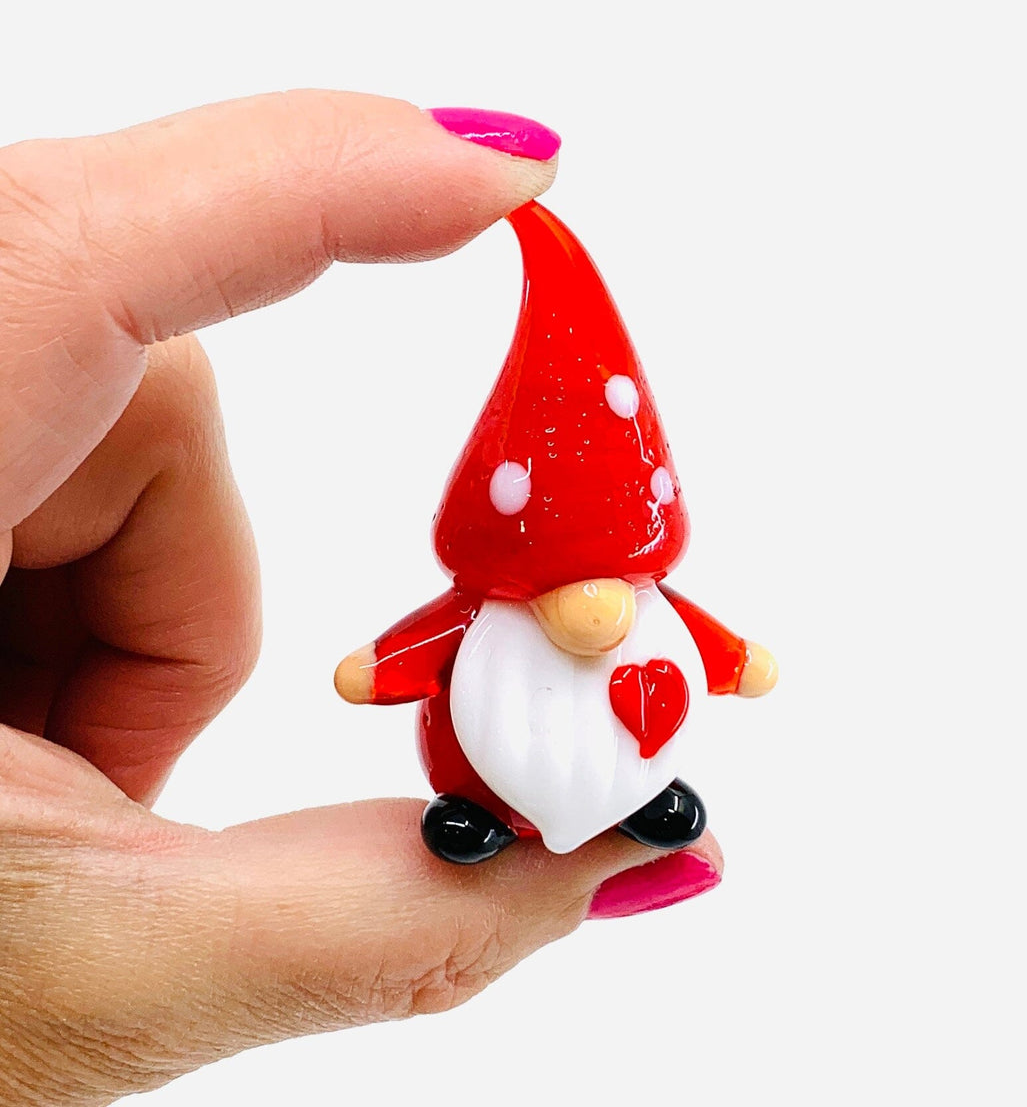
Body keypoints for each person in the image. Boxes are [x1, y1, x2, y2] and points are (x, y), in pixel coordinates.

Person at [0, 92, 722, 1105]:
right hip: (490, 778)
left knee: (645, 765)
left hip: (629, 753)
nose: (597, 614)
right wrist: (381, 669)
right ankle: (481, 815)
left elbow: (706, 650)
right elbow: (426, 651)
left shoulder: (652, 618)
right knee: (478, 796)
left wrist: (735, 660)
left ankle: (636, 802)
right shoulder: (484, 621)